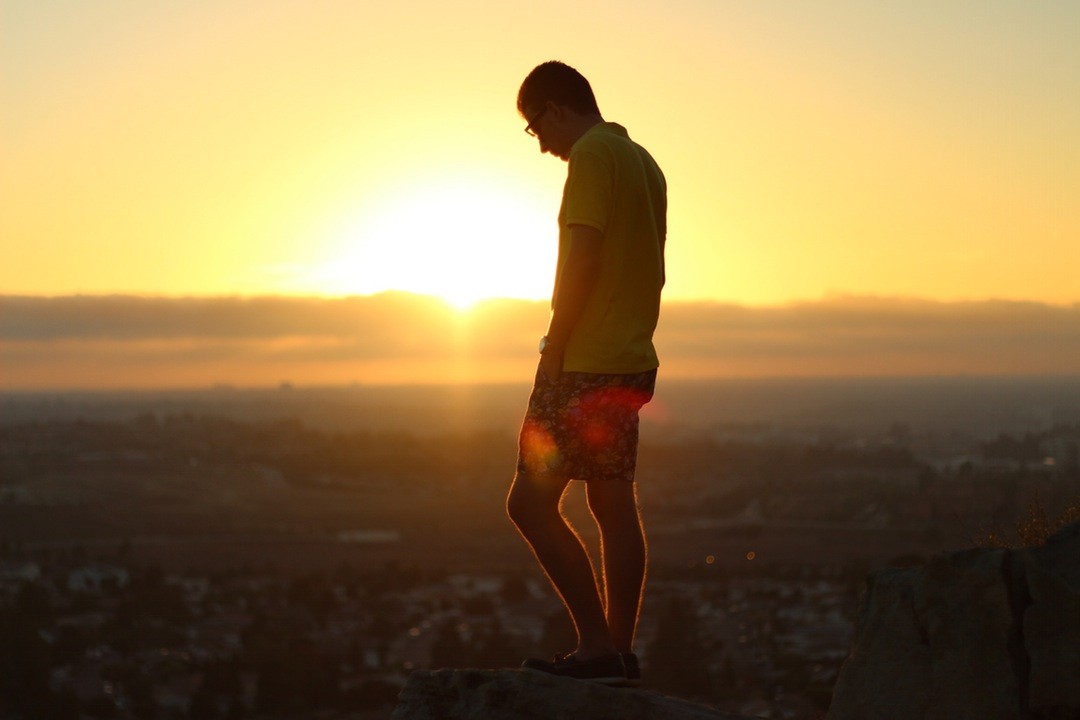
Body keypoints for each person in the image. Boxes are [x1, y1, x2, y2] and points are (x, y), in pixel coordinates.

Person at [507, 60, 667, 686]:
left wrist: (556, 341)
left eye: (534, 126)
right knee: (610, 501)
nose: (541, 143)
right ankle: (619, 655)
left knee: (529, 504)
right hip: (629, 355)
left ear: (556, 107)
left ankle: (596, 649)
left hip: (584, 358)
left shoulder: (592, 158)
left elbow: (585, 256)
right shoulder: (643, 160)